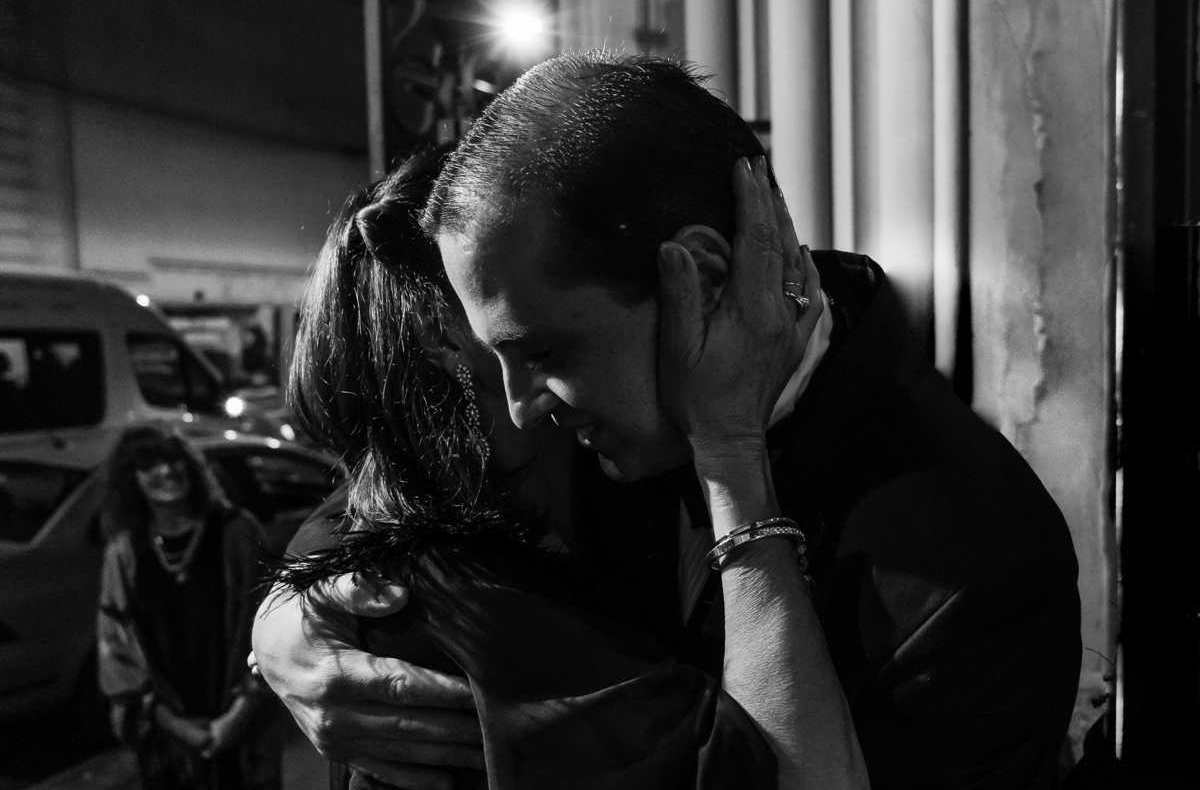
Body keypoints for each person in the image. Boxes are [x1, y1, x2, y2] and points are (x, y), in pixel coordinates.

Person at [254, 52, 1081, 789]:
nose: (516, 405)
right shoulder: (595, 409)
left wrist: (730, 461)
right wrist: (292, 623)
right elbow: (404, 480)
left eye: (540, 352)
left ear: (704, 280)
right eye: (492, 362)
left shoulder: (980, 566)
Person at [258, 146, 858, 789]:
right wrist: (732, 453)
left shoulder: (547, 487)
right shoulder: (474, 608)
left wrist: (283, 606)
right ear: (446, 333)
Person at [97, 426, 280, 790]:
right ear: (131, 479)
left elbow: (275, 625)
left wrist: (239, 713)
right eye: (149, 464)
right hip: (170, 741)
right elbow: (115, 647)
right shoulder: (125, 553)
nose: (166, 471)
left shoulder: (237, 531)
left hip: (243, 728)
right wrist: (170, 722)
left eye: (173, 459)